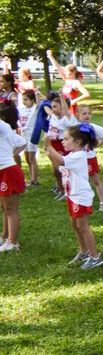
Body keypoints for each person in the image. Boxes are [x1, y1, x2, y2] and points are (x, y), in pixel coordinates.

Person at [47, 123, 103, 269]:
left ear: (77, 142)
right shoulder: (72, 155)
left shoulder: (78, 156)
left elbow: (61, 161)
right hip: (72, 196)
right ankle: (84, 251)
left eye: (66, 139)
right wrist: (50, 153)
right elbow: (61, 167)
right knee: (75, 225)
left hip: (80, 197)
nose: (62, 142)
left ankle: (95, 257)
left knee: (83, 227)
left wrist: (49, 146)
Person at [0, 102, 28, 252]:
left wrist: (10, 156)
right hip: (4, 170)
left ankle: (13, 242)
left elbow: (23, 143)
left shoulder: (2, 126)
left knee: (10, 209)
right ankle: (5, 237)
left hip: (8, 170)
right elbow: (21, 142)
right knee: (5, 208)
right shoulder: (6, 130)